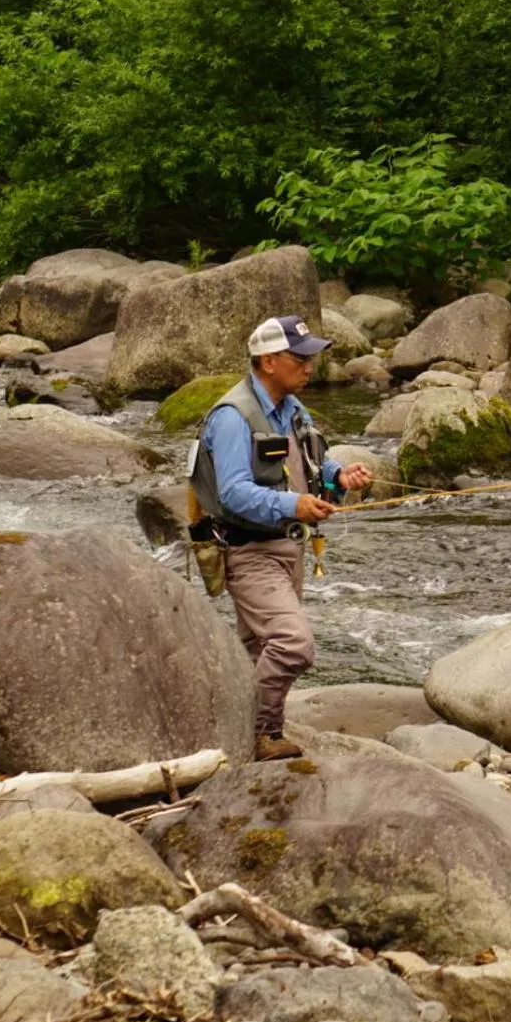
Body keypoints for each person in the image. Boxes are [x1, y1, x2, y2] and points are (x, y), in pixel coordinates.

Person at [188, 315, 373, 760]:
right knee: (293, 644)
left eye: (312, 358)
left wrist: (341, 477)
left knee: (255, 648)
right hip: (248, 552)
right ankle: (262, 731)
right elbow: (232, 493)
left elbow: (315, 465)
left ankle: (231, 733)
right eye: (300, 358)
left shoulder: (293, 408)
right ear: (268, 361)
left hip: (287, 548)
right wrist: (295, 506)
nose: (310, 367)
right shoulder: (233, 418)